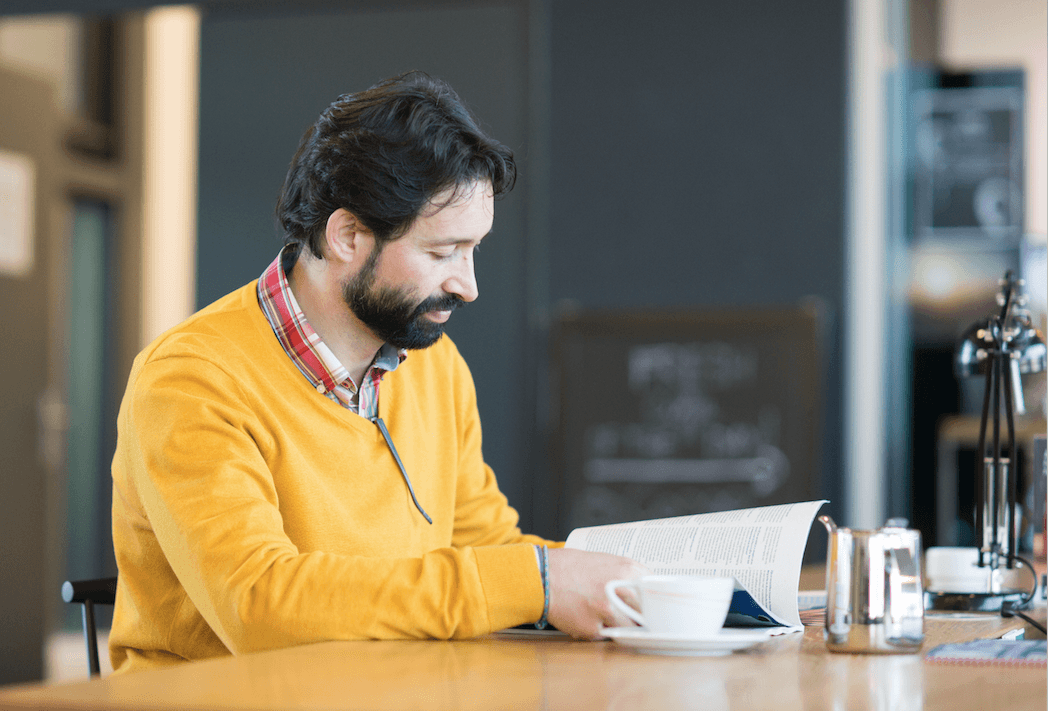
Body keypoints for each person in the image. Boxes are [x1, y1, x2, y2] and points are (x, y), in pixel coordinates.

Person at [109, 71, 645, 673]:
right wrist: (535, 581)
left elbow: (488, 549)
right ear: (348, 236)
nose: (467, 286)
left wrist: (630, 580)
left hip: (396, 688)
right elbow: (259, 608)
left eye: (473, 252)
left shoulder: (435, 365)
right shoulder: (191, 379)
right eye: (442, 254)